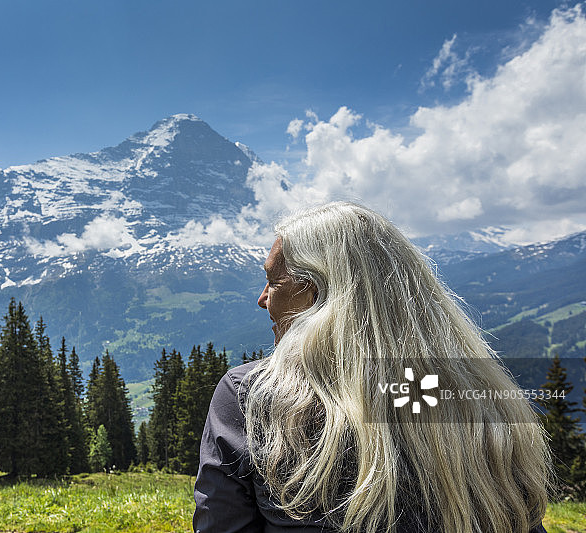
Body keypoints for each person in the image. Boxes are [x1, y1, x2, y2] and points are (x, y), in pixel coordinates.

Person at [193, 202, 550, 533]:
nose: (263, 299)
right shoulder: (475, 403)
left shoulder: (250, 397)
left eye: (273, 281)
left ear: (316, 293)